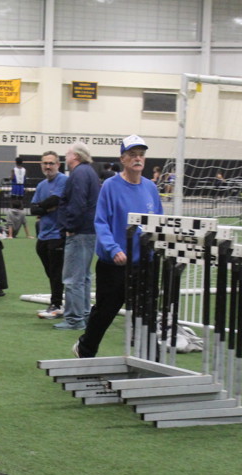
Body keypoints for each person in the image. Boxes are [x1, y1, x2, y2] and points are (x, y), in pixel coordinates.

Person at [73, 134, 163, 358]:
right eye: (132, 155)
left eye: (141, 155)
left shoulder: (151, 188)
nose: (138, 158)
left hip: (145, 263)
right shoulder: (110, 186)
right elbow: (101, 222)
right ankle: (85, 349)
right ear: (123, 159)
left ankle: (152, 358)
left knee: (148, 312)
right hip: (115, 263)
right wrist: (114, 249)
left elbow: (159, 221)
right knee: (105, 312)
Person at [54, 142, 100, 331]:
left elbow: (77, 203)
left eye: (68, 153)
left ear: (76, 156)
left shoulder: (79, 174)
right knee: (84, 277)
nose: (65, 156)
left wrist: (70, 226)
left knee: (73, 278)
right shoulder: (89, 172)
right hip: (89, 230)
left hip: (79, 231)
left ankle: (74, 318)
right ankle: (84, 314)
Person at [31, 151, 68, 319]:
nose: (48, 166)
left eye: (51, 163)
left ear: (58, 165)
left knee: (56, 272)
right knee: (51, 273)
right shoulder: (41, 185)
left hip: (58, 234)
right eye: (45, 163)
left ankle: (57, 304)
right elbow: (33, 209)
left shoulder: (63, 180)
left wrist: (42, 207)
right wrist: (46, 208)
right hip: (43, 235)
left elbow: (55, 200)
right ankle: (58, 301)